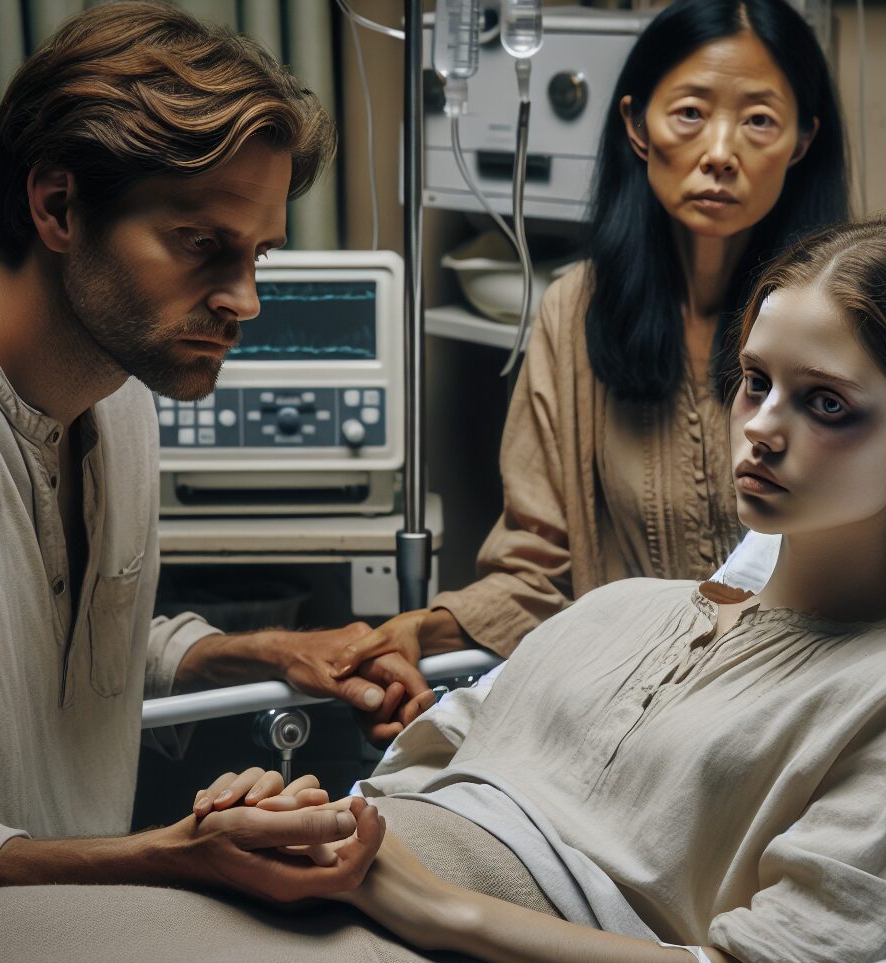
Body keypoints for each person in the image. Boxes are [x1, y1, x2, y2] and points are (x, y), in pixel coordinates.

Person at [0, 218, 886, 963]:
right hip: (322, 888)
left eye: (826, 404)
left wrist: (435, 909)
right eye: (755, 383)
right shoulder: (625, 607)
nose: (761, 428)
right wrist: (300, 814)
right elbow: (402, 781)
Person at [0, 2, 432, 901]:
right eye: (202, 244)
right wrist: (164, 860)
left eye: (259, 256)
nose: (245, 301)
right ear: (58, 205)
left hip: (77, 943)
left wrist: (270, 650)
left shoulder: (119, 398)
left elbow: (75, 645)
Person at [334, 0, 850, 679]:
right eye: (690, 113)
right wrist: (421, 630)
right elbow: (536, 574)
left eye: (759, 121)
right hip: (626, 687)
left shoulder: (849, 322)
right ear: (637, 125)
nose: (721, 154)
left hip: (804, 685)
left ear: (802, 140)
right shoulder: (578, 310)